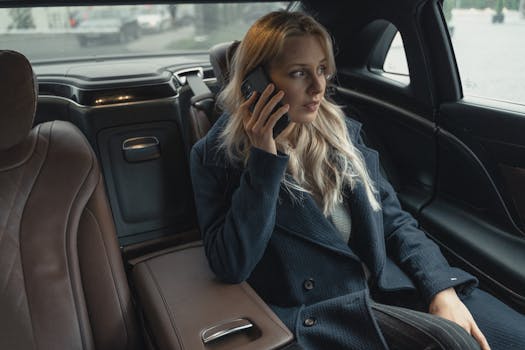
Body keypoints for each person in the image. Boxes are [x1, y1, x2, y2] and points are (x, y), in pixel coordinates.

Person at [190, 10, 525, 350]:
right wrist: (264, 160)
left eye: (321, 69)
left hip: (388, 287)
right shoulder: (216, 157)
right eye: (298, 73)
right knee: (453, 343)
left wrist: (441, 289)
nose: (319, 87)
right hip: (322, 314)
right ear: (255, 81)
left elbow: (394, 223)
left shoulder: (342, 132)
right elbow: (231, 264)